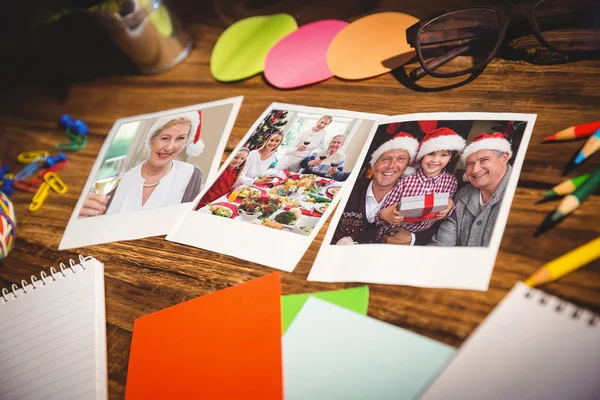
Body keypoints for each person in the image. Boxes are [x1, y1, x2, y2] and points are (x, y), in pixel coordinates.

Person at [78, 111, 205, 217]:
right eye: (164, 138)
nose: (170, 147)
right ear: (151, 140)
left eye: (180, 138)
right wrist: (84, 213)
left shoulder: (191, 174)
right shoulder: (120, 179)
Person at [376, 128, 466, 241]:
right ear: (422, 155)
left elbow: (447, 208)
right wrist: (387, 214)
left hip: (422, 238)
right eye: (430, 154)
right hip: (391, 234)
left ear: (450, 159)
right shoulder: (405, 181)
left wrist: (449, 206)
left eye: (443, 155)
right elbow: (382, 213)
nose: (435, 160)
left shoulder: (451, 181)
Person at [332, 132, 419, 244]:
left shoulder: (411, 196)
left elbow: (433, 224)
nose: (391, 166)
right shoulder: (350, 189)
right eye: (386, 159)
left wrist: (412, 238)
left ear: (406, 168)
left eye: (400, 159)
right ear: (374, 164)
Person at [430, 132, 513, 247]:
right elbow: (442, 242)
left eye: (484, 160)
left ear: (504, 158)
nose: (475, 170)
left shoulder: (523, 193)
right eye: (470, 163)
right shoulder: (463, 194)